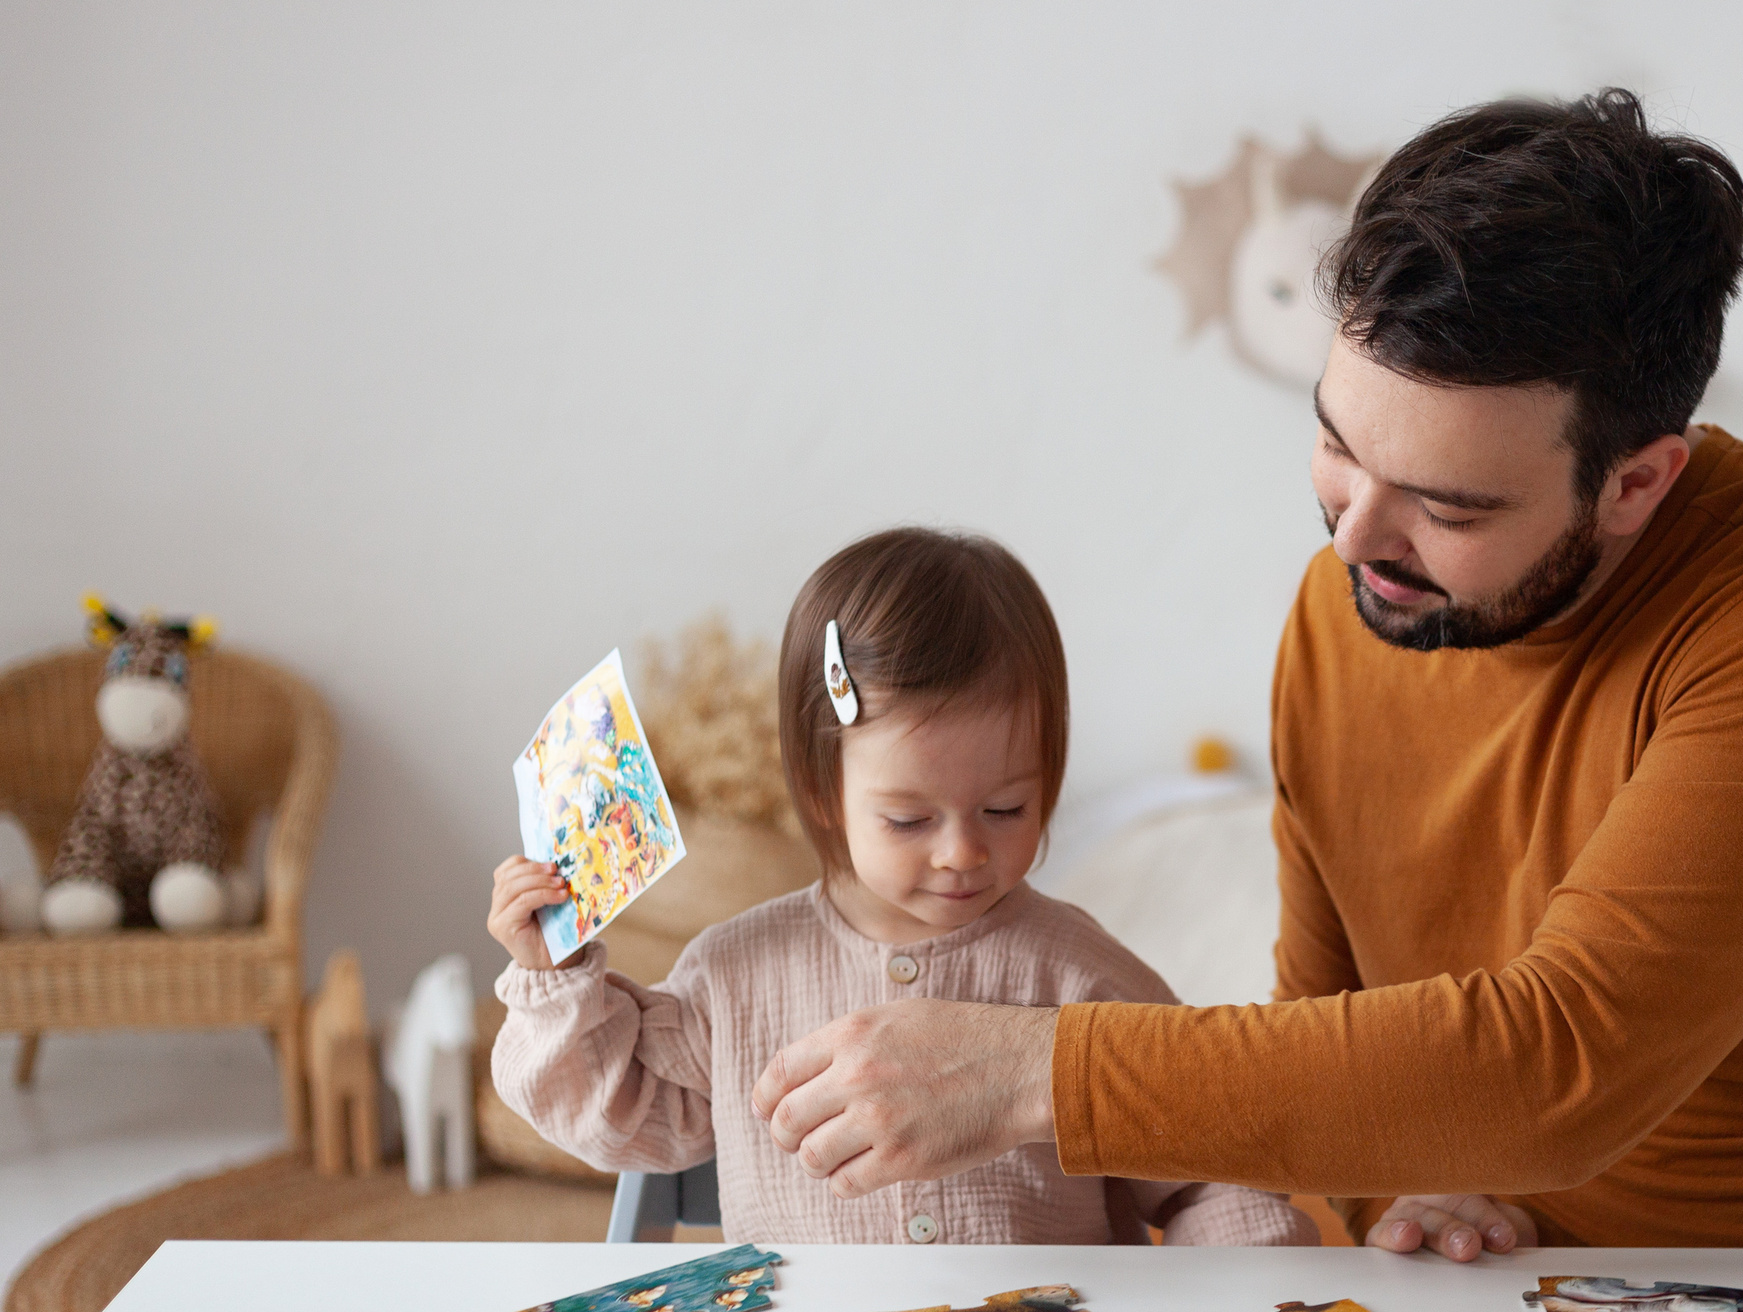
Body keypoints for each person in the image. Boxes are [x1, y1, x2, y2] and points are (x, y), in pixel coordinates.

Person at [746, 92, 1743, 1257]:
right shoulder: (1352, 604)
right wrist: (1409, 1177)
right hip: (1546, 1305)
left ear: (1637, 481)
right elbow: (1332, 1026)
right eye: (1338, 442)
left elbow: (1560, 1057)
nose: (1353, 535)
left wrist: (1030, 1071)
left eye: (1448, 505)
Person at [487, 527, 1315, 1248]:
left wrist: (1242, 1293)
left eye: (1005, 807)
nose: (961, 851)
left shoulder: (1079, 972)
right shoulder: (735, 973)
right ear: (823, 793)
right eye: (910, 819)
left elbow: (1213, 1168)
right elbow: (610, 1113)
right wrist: (553, 977)